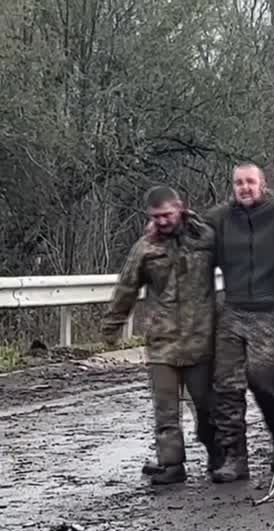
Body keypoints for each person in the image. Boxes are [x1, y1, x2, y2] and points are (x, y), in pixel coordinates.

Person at [101, 186, 217, 485]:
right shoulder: (146, 247)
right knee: (166, 411)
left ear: (180, 208)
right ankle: (171, 464)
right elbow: (127, 288)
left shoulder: (204, 239)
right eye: (156, 216)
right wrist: (112, 326)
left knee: (206, 408)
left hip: (200, 340)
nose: (163, 221)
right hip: (162, 344)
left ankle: (218, 455)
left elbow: (237, 262)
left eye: (167, 214)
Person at [204, 163, 274, 483]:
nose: (245, 188)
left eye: (250, 182)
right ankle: (235, 457)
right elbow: (192, 236)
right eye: (239, 183)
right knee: (226, 385)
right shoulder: (220, 217)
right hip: (234, 308)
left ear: (263, 183)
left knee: (263, 377)